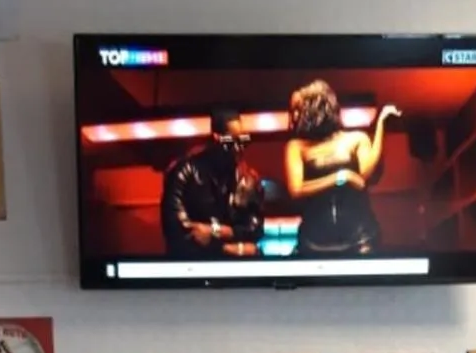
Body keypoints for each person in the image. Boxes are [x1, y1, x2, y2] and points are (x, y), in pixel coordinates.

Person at [283, 80, 399, 256]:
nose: (294, 116)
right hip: (313, 243)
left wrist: (381, 124)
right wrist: (340, 177)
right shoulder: (296, 146)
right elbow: (296, 189)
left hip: (360, 239)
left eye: (299, 109)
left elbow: (364, 175)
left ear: (315, 108)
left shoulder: (356, 138)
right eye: (293, 111)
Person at [160, 109, 263, 256]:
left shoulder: (246, 179)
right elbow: (178, 230)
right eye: (231, 142)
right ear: (216, 139)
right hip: (192, 271)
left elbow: (255, 229)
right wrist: (230, 248)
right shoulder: (185, 172)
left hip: (233, 272)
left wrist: (214, 231)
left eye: (243, 141)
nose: (238, 148)